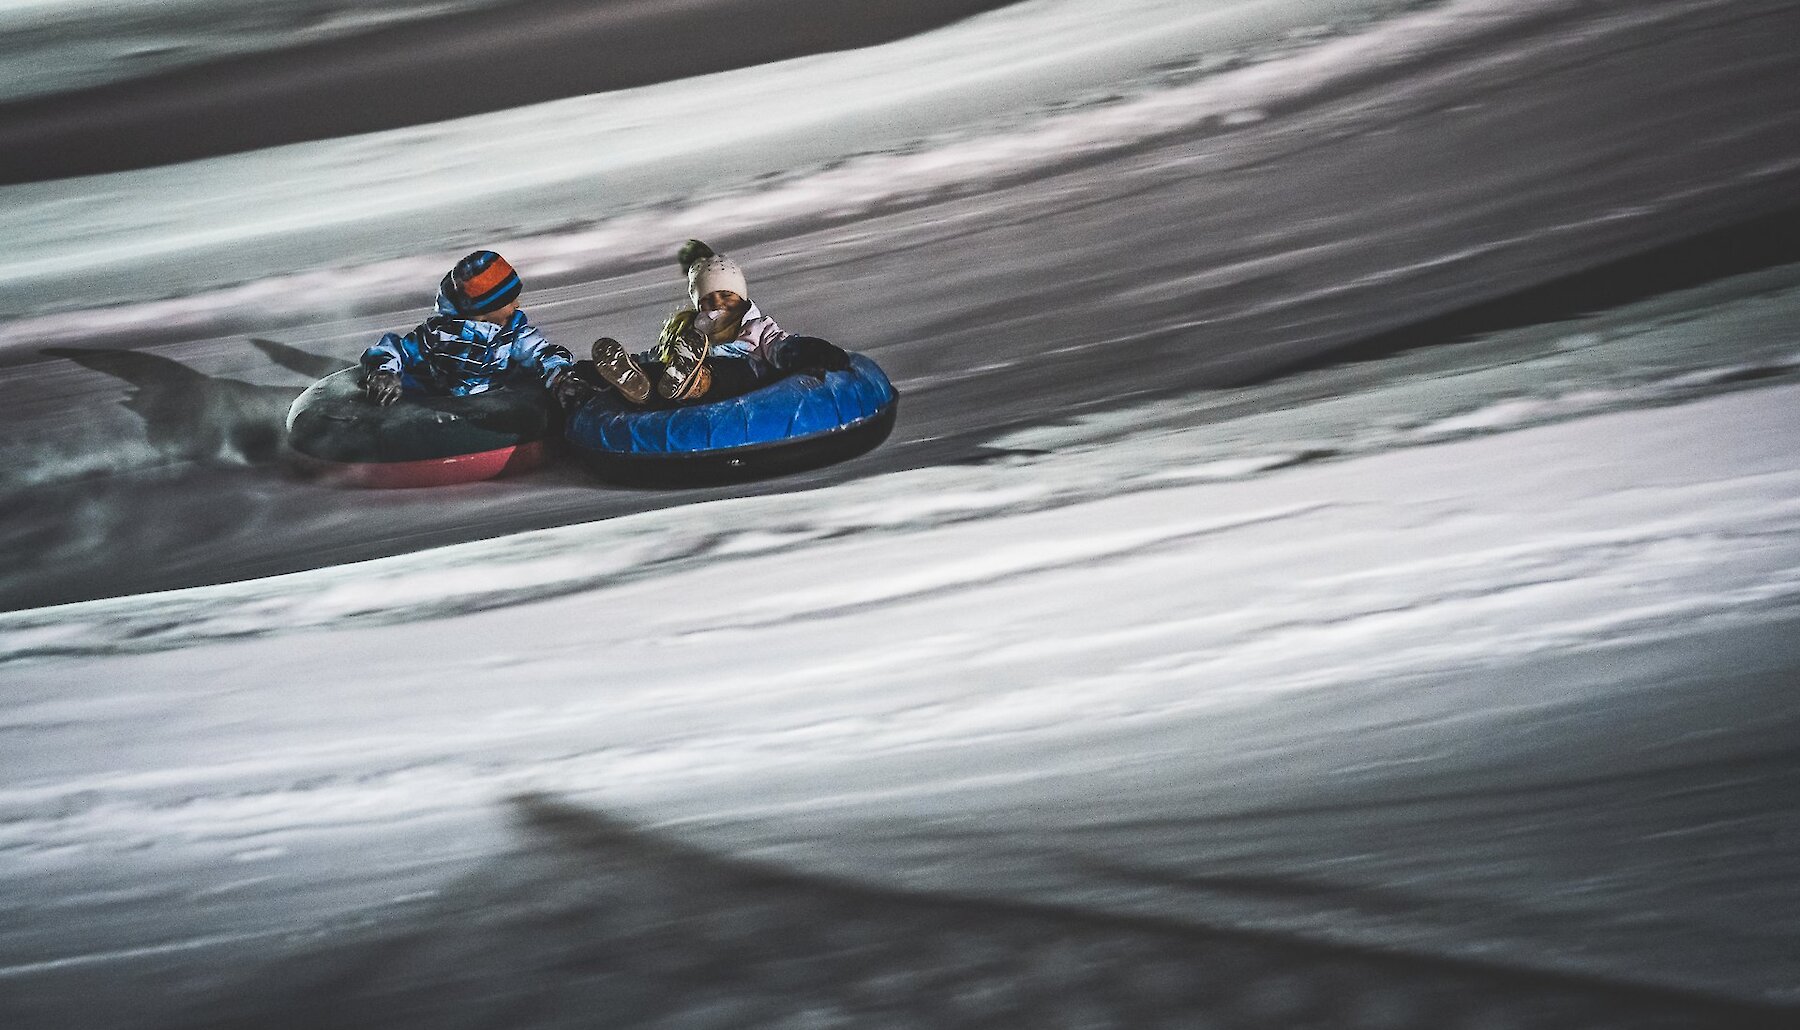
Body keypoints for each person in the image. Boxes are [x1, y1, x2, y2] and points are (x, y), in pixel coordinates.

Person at [587, 240, 850, 406]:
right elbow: (655, 354)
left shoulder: (757, 328)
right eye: (709, 299)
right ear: (699, 304)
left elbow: (783, 347)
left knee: (737, 369)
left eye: (727, 295)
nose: (719, 304)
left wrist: (817, 352)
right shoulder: (688, 333)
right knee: (660, 369)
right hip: (677, 389)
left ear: (741, 297)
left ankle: (695, 380)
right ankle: (637, 386)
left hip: (740, 386)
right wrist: (597, 370)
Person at [360, 250, 580, 406]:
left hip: (496, 400)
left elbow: (541, 352)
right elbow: (396, 349)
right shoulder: (440, 334)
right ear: (482, 310)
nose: (517, 305)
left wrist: (560, 376)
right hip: (442, 402)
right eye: (509, 301)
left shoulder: (513, 333)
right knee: (403, 386)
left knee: (535, 382)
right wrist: (384, 372)